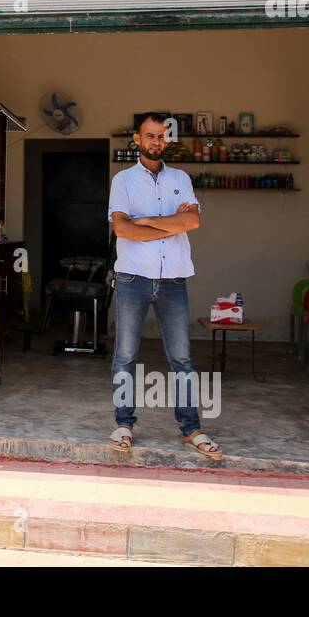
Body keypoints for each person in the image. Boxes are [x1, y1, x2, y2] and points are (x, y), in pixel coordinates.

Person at [107, 112, 223, 460]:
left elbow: (193, 220)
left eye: (161, 136)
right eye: (150, 135)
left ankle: (191, 429)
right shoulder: (123, 181)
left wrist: (145, 221)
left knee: (182, 358)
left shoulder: (181, 178)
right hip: (131, 278)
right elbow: (122, 230)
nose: (156, 141)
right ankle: (124, 424)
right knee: (125, 355)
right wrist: (172, 225)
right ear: (137, 139)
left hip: (173, 279)